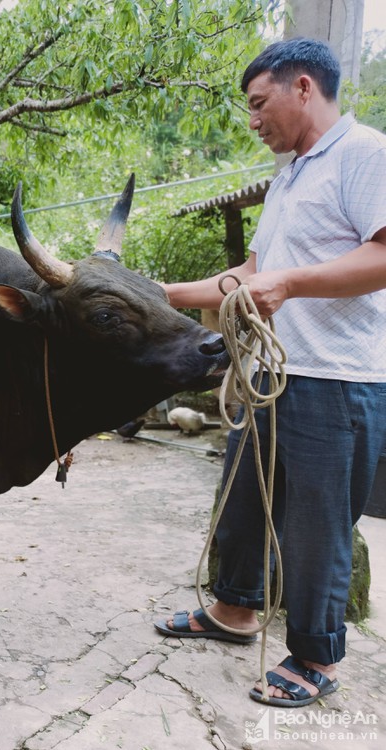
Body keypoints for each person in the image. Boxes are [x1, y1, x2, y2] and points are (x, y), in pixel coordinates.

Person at [152, 37, 386, 707]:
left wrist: (293, 284)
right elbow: (251, 275)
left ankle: (316, 657)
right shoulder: (291, 174)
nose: (252, 121)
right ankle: (235, 609)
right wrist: (163, 292)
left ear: (303, 88)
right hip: (272, 372)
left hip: (337, 377)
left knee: (316, 527)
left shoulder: (365, 153)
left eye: (258, 104)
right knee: (243, 500)